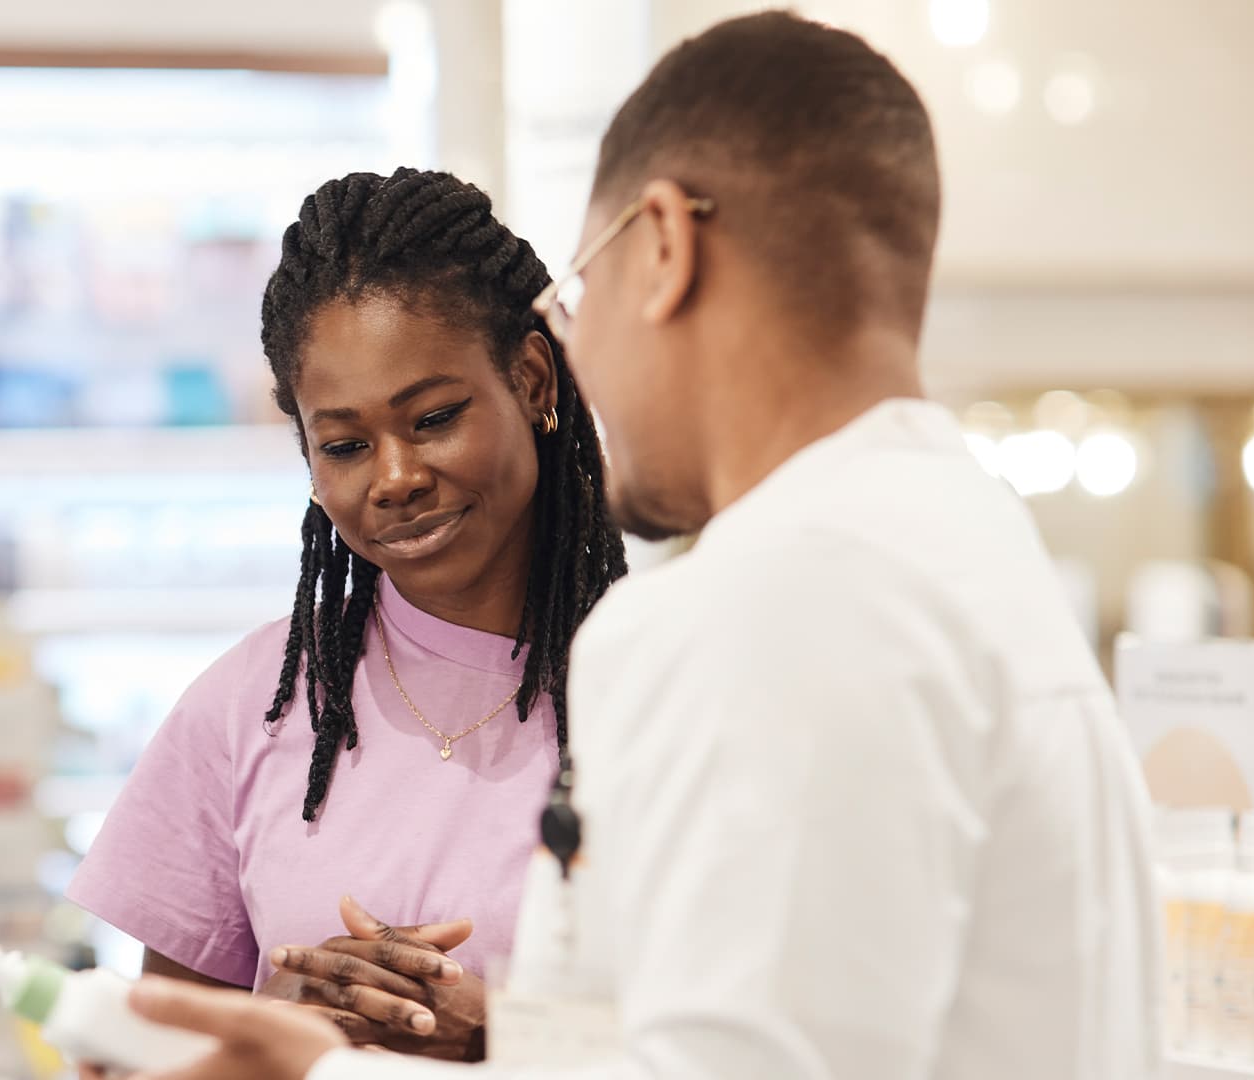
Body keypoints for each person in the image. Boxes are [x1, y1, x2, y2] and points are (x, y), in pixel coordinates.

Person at [121, 12, 1162, 1080]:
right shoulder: (974, 555)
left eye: (581, 288)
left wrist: (313, 1071)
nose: (578, 346)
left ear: (663, 247)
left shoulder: (766, 612)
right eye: (342, 440)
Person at [66, 167, 630, 1061]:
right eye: (344, 445)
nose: (396, 477)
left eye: (436, 417)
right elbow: (132, 1059)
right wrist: (271, 1027)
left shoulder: (664, 681)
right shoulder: (249, 708)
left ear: (529, 379)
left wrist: (513, 1042)